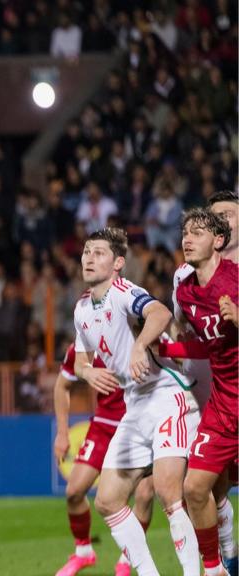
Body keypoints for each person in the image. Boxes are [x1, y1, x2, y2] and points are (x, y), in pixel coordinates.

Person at [72, 228, 199, 576]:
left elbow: (159, 313)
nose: (89, 257)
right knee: (107, 499)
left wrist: (141, 345)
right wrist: (87, 374)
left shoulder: (124, 291)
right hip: (134, 406)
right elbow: (80, 360)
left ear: (118, 264)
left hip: (166, 396)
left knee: (168, 492)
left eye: (99, 253)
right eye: (86, 251)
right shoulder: (82, 308)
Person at [168, 191, 239, 574]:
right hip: (225, 403)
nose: (187, 239)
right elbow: (207, 345)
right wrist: (165, 347)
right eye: (185, 233)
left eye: (197, 232)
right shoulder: (186, 291)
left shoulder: (237, 279)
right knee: (194, 489)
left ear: (218, 240)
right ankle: (214, 568)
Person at [52, 344, 154, 576]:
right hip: (104, 426)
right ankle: (84, 552)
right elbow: (62, 385)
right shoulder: (82, 348)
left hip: (140, 426)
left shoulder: (135, 339)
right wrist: (62, 432)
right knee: (74, 492)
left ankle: (126, 561)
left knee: (145, 494)